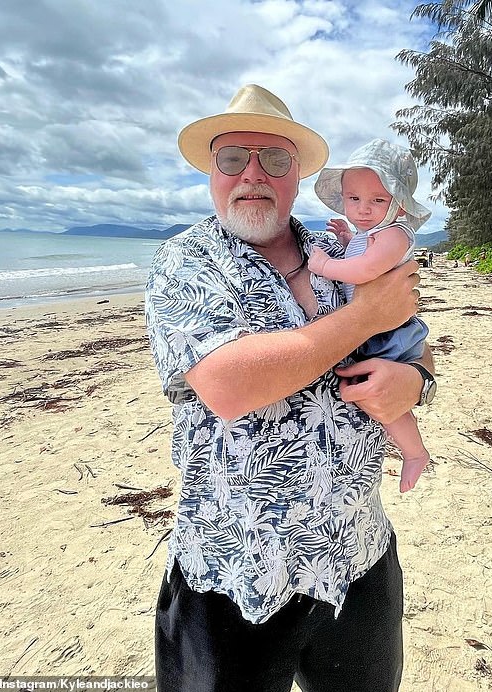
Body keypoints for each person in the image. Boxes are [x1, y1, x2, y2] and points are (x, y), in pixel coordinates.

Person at [145, 84, 436, 692]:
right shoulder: (186, 261)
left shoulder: (340, 246)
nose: (253, 174)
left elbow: (410, 326)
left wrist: (415, 381)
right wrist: (362, 318)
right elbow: (225, 384)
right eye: (233, 158)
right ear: (211, 170)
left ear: (297, 173)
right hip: (236, 573)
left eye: (274, 159)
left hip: (357, 555)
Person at [308, 139, 435, 493]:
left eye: (377, 200)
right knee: (372, 394)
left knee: (380, 398)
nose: (363, 209)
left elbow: (366, 270)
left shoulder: (396, 233)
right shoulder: (372, 232)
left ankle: (414, 452)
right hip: (378, 328)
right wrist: (350, 237)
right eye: (354, 199)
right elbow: (364, 252)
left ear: (398, 204)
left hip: (389, 333)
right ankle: (410, 450)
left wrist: (324, 265)